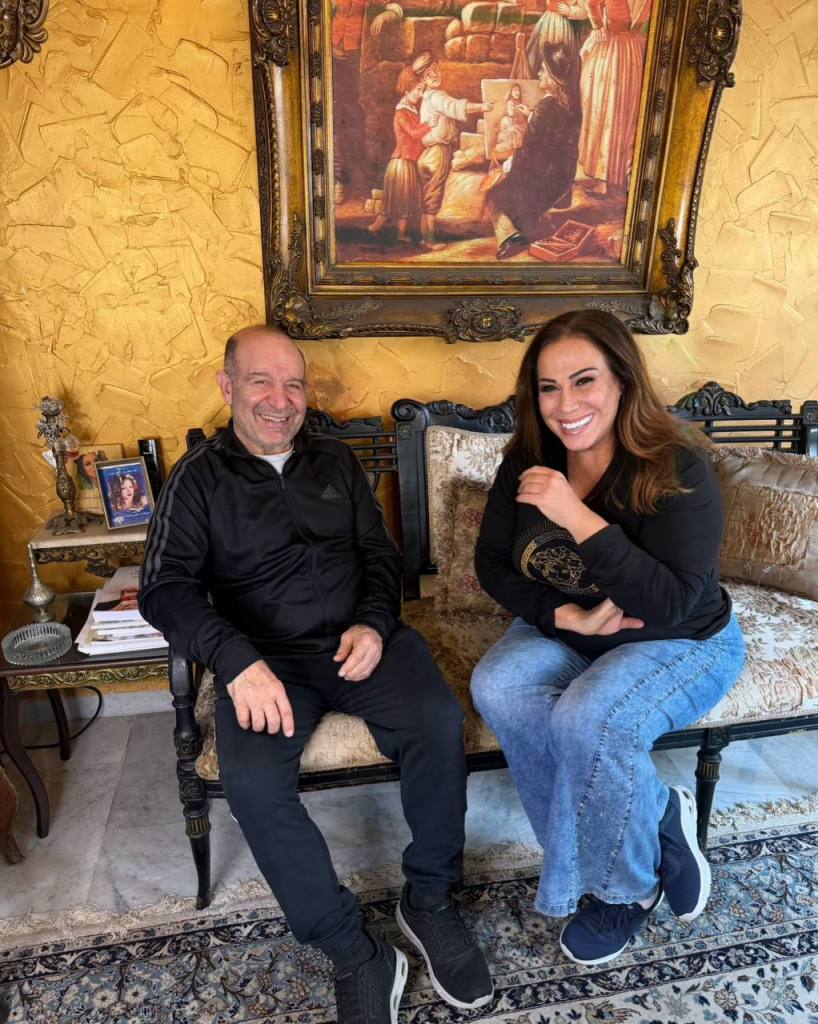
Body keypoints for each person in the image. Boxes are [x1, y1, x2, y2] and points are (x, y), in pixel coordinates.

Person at [139, 326, 493, 1023]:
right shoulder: (198, 477)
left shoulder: (335, 461)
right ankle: (353, 949)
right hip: (265, 659)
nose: (280, 400)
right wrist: (235, 660)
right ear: (228, 387)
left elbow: (380, 555)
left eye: (293, 384)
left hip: (362, 642)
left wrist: (373, 622)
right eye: (261, 382)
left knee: (436, 720)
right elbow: (164, 587)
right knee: (251, 781)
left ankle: (429, 898)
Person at [470, 309, 745, 966]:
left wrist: (575, 515)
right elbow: (492, 564)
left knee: (589, 717)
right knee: (500, 686)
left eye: (584, 380)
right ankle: (655, 812)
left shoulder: (679, 469)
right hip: (575, 630)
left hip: (682, 640)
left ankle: (627, 890)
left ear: (622, 380)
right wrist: (563, 617)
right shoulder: (528, 461)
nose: (565, 405)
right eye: (548, 387)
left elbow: (670, 602)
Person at [485, 45, 581, 260]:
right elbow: (555, 139)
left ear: (553, 78)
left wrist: (509, 164)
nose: (538, 73)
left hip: (544, 178)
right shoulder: (567, 105)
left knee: (494, 194)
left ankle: (513, 239)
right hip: (563, 176)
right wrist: (531, 116)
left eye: (543, 70)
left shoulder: (544, 108)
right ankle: (537, 224)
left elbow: (529, 152)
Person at [414, 52, 492, 250]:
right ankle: (429, 241)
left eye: (436, 69)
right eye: (429, 73)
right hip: (438, 152)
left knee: (428, 196)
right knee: (432, 197)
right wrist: (482, 106)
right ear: (422, 79)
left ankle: (424, 237)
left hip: (427, 152)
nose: (435, 75)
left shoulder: (426, 98)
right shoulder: (437, 96)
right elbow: (455, 107)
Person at [578, 0, 653, 195]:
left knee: (618, 111)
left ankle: (614, 176)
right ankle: (611, 175)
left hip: (621, 54)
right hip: (620, 52)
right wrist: (598, 26)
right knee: (613, 110)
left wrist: (598, 26)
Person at [368, 67, 436, 242]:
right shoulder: (402, 112)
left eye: (422, 90)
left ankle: (393, 232)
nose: (420, 94)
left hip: (408, 160)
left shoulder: (410, 109)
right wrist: (429, 125)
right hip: (401, 162)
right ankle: (381, 229)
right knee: (399, 200)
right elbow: (413, 132)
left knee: (401, 200)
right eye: (418, 90)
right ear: (406, 90)